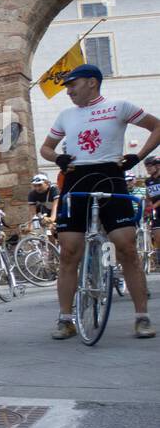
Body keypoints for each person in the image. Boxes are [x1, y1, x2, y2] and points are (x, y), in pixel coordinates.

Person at [39, 64, 159, 339]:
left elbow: (157, 127)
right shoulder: (65, 115)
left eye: (73, 85)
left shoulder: (119, 106)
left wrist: (137, 157)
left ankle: (142, 317)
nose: (68, 91)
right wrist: (56, 158)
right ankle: (65, 319)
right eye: (66, 86)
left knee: (126, 247)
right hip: (76, 179)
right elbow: (46, 147)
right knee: (69, 252)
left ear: (92, 83)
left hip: (110, 175)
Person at [146, 155, 160, 264]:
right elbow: (149, 196)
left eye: (150, 166)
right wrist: (149, 206)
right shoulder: (148, 181)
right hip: (156, 213)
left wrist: (154, 206)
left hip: (156, 207)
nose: (148, 169)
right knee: (157, 236)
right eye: (146, 167)